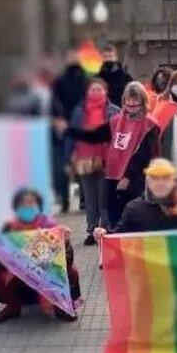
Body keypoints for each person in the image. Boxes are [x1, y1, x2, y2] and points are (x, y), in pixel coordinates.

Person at [0, 188, 80, 323]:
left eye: (31, 202)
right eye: (23, 203)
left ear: (38, 205)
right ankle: (13, 307)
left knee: (70, 271)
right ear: (16, 207)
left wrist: (65, 244)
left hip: (45, 276)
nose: (27, 206)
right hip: (18, 278)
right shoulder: (9, 227)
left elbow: (66, 259)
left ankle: (60, 306)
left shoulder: (49, 225)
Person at [63, 81, 159, 228]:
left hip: (136, 180)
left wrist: (127, 177)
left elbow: (144, 155)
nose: (131, 104)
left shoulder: (149, 125)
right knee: (112, 218)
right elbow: (95, 135)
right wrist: (70, 130)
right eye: (128, 100)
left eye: (135, 100)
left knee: (133, 218)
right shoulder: (117, 121)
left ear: (142, 101)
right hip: (113, 177)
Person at [66, 79, 120, 245]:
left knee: (104, 197)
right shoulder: (78, 112)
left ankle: (103, 229)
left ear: (106, 91)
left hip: (107, 158)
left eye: (99, 89)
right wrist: (69, 156)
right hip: (84, 158)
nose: (96, 92)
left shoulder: (115, 111)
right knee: (89, 198)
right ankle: (91, 230)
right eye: (93, 89)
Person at [94, 158, 177, 236]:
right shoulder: (134, 208)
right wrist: (104, 234)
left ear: (174, 181)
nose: (160, 183)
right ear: (148, 181)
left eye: (165, 178)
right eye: (155, 178)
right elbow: (118, 238)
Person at [97, 44, 133, 109]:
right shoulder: (97, 78)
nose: (108, 59)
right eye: (105, 57)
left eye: (110, 56)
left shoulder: (125, 77)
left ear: (115, 58)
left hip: (120, 111)